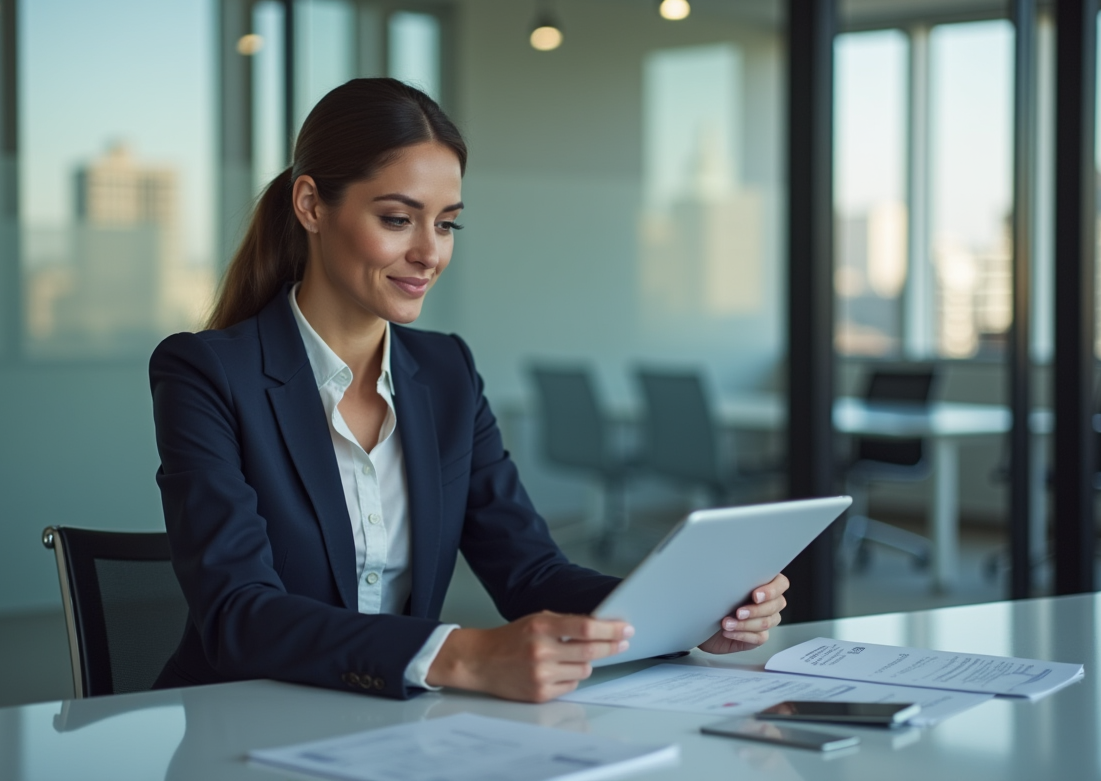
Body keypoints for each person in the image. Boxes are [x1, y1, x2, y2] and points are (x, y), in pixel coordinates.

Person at [149, 78, 788, 703]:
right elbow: (239, 613)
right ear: (311, 205)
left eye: (448, 224)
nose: (429, 253)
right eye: (398, 219)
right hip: (236, 723)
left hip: (383, 731)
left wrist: (690, 614)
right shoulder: (206, 373)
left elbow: (530, 572)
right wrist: (461, 655)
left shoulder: (446, 373)